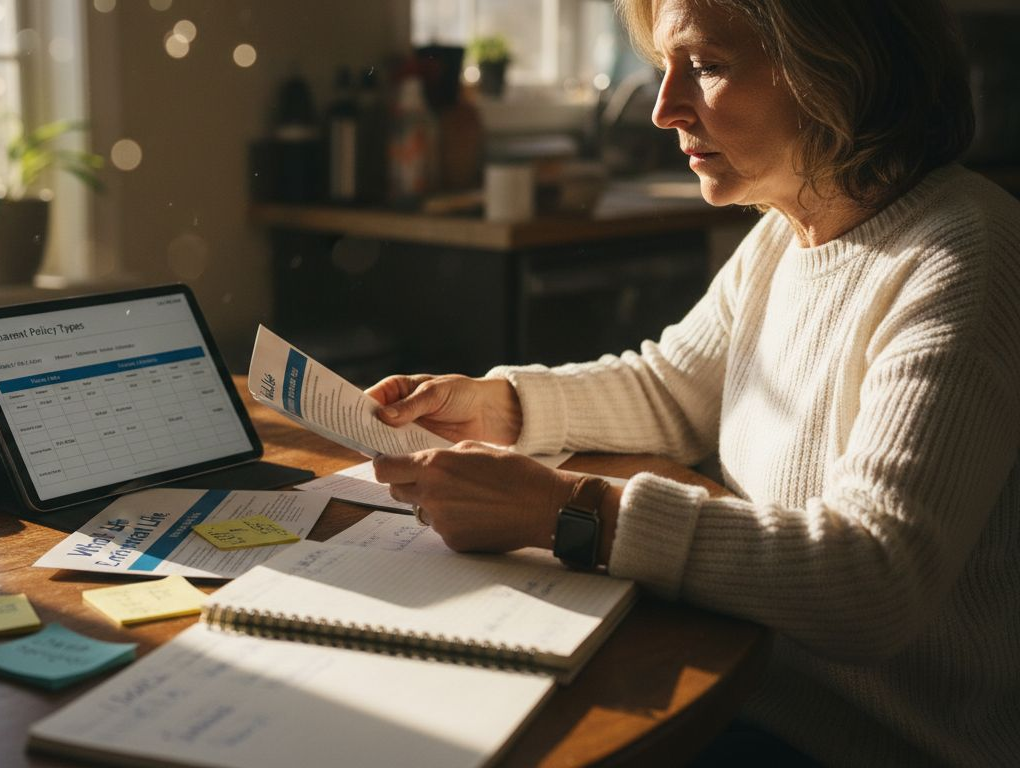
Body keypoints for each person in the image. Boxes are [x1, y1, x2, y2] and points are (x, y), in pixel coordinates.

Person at [367, 0, 1020, 765]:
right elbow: (672, 390)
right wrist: (500, 405)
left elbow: (872, 580)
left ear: (837, 70)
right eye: (665, 68)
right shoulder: (789, 229)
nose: (663, 108)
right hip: (749, 683)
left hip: (860, 741)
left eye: (706, 67)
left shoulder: (964, 257)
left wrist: (566, 513)